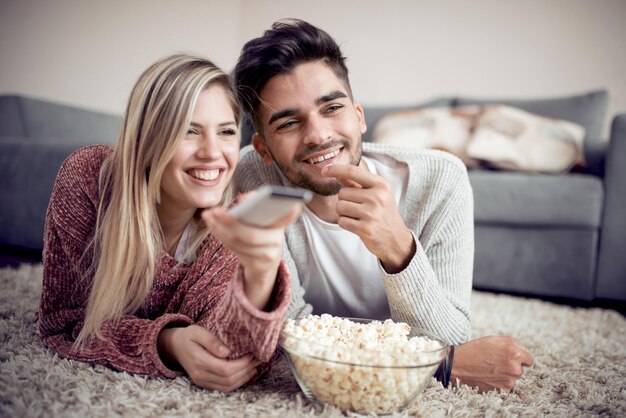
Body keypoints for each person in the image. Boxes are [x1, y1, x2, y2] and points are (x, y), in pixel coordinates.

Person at [232, 19, 534, 392]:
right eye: (289, 123)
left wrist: (398, 248)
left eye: (332, 108)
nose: (318, 135)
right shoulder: (251, 176)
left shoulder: (441, 180)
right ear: (262, 149)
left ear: (359, 117)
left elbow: (451, 332)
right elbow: (282, 332)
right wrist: (442, 363)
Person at [39, 54, 301, 393]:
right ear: (148, 139)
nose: (212, 152)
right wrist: (167, 342)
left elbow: (236, 354)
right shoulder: (90, 180)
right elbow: (63, 322)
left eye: (225, 132)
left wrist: (260, 274)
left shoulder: (229, 229)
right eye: (188, 131)